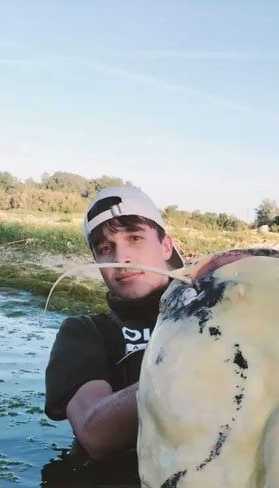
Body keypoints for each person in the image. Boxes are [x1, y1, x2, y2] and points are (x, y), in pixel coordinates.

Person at [44, 186, 184, 462]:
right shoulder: (84, 332)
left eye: (135, 238)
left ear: (166, 246)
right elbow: (94, 433)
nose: (122, 259)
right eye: (106, 249)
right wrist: (190, 369)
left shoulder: (214, 315)